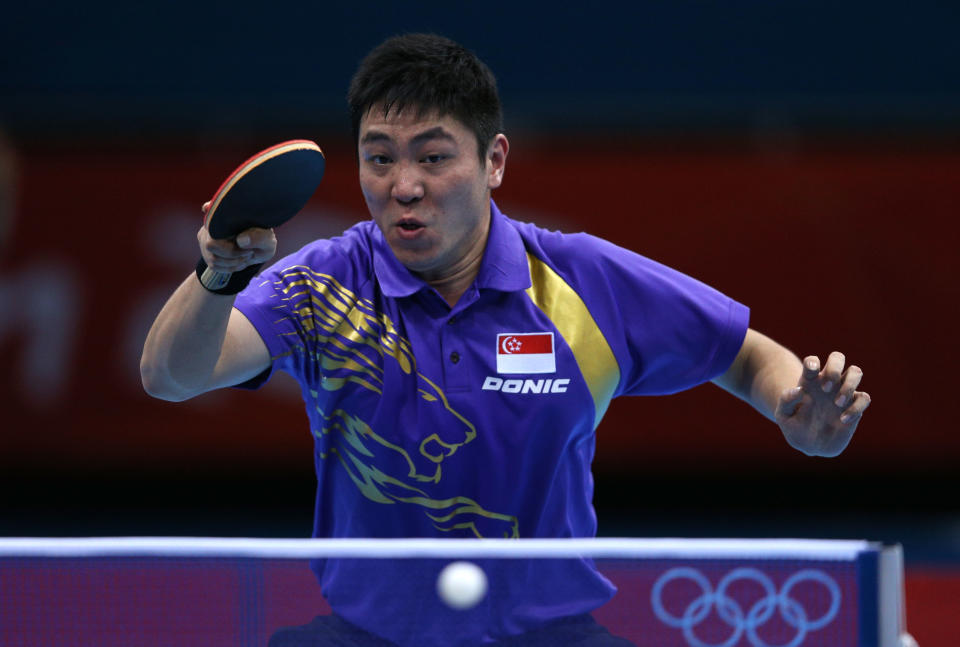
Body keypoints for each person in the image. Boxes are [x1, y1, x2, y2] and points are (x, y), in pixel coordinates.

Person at [140, 33, 870, 647]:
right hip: (368, 635)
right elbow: (171, 376)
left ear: (494, 161)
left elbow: (743, 352)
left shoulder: (579, 280)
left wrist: (793, 410)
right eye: (380, 156)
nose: (403, 185)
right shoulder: (325, 284)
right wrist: (214, 277)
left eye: (433, 156)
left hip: (550, 633)